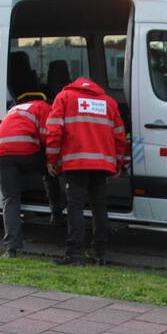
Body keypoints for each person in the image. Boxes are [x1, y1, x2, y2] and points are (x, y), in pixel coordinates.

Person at [45, 77, 128, 266]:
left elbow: (54, 131)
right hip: (102, 164)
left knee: (76, 207)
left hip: (76, 162)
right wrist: (118, 163)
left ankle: (74, 254)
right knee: (99, 206)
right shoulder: (108, 102)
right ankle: (100, 252)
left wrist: (52, 159)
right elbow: (120, 136)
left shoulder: (65, 97)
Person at [0, 92, 64, 258]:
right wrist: (53, 160)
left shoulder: (14, 109)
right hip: (26, 151)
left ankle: (11, 249)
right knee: (51, 173)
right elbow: (48, 136)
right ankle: (57, 214)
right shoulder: (44, 108)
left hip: (1, 154)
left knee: (10, 199)